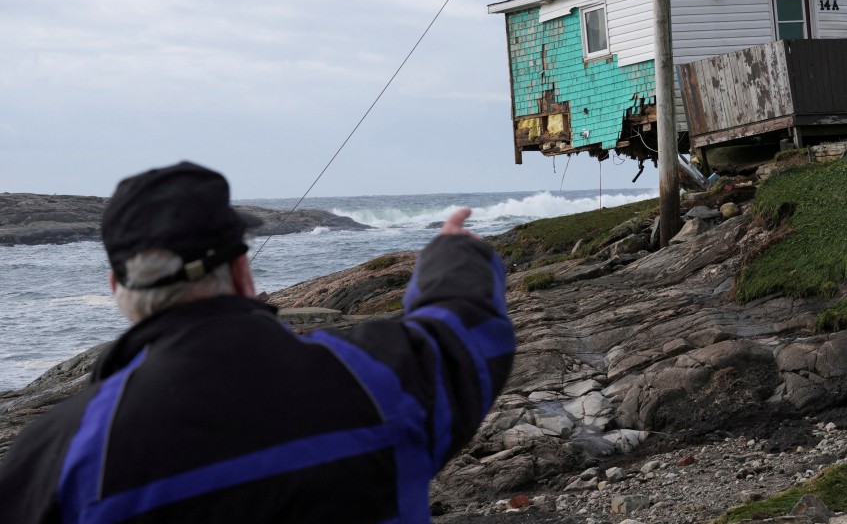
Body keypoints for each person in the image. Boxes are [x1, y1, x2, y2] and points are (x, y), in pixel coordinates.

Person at [0, 162, 515, 523]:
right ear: (244, 271)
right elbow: (465, 328)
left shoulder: (56, 453)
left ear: (118, 290)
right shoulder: (375, 377)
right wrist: (452, 251)